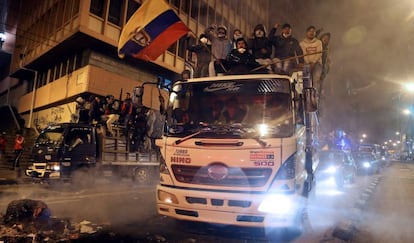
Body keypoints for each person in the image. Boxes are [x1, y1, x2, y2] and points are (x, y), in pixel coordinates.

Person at [300, 25, 323, 96]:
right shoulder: (302, 43)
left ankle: (315, 97)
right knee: (306, 81)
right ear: (306, 33)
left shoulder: (318, 42)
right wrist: (308, 63)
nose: (311, 33)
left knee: (316, 80)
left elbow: (319, 53)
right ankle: (307, 96)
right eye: (310, 31)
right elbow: (303, 54)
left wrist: (313, 62)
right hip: (307, 64)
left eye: (313, 31)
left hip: (317, 64)